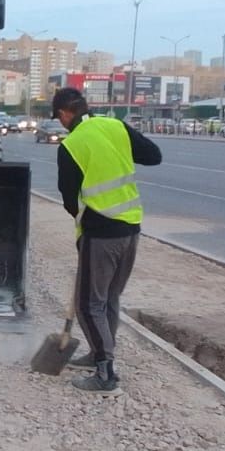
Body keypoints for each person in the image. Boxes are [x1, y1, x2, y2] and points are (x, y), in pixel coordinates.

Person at [52, 87, 162, 392]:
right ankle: (99, 354)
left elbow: (69, 200)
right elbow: (154, 156)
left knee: (89, 304)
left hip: (100, 234)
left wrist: (82, 229)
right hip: (131, 230)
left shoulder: (71, 145)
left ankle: (105, 373)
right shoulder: (116, 127)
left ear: (64, 114)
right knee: (109, 298)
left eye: (58, 118)